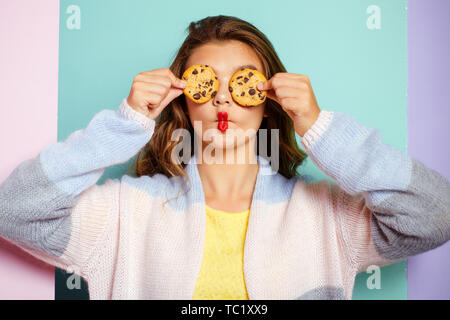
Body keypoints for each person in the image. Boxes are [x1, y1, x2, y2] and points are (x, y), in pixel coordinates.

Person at [0, 15, 449, 300]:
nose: (222, 99)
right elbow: (15, 211)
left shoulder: (327, 218)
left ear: (268, 98)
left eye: (241, 83)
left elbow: (436, 216)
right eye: (206, 83)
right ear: (184, 99)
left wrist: (320, 127)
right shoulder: (124, 213)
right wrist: (124, 124)